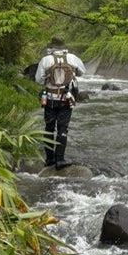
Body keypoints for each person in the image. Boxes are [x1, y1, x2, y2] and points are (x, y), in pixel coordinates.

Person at [34, 36, 87, 168]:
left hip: (50, 99)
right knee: (63, 129)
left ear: (51, 47)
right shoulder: (72, 58)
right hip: (66, 98)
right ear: (64, 46)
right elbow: (82, 72)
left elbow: (38, 80)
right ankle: (60, 160)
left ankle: (50, 159)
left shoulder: (45, 60)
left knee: (49, 129)